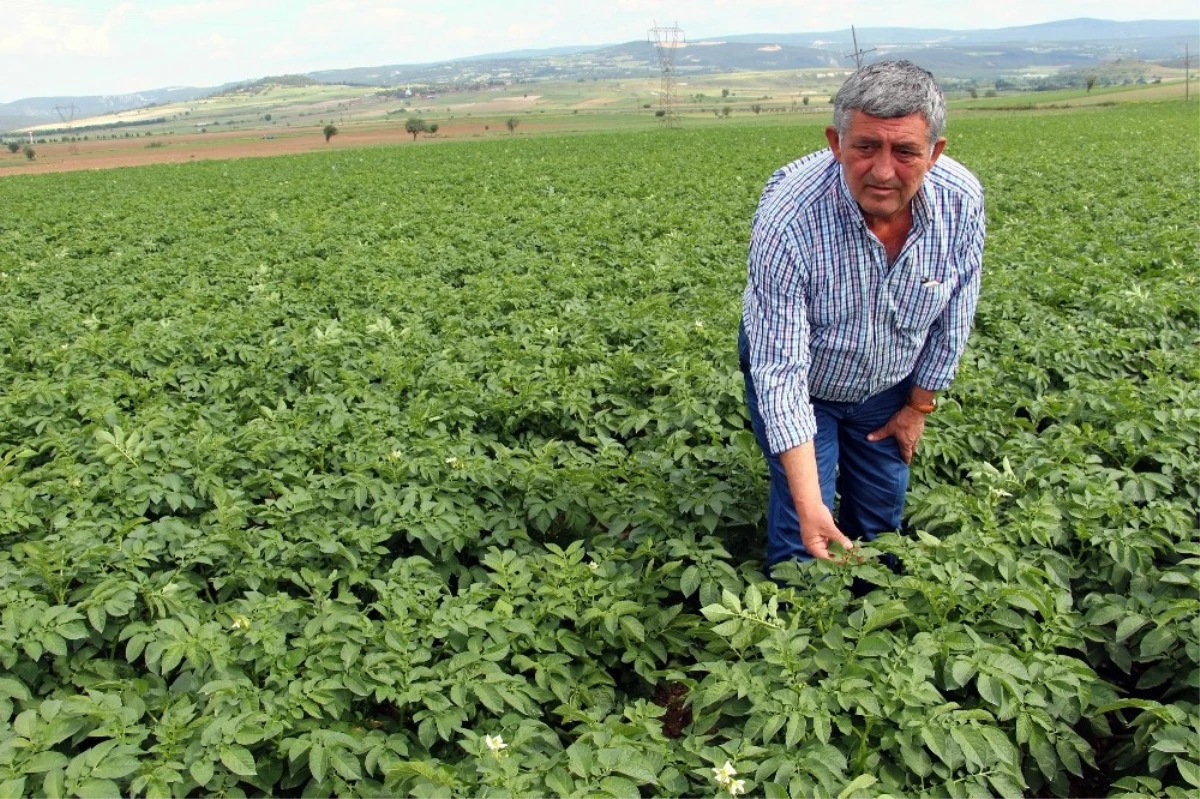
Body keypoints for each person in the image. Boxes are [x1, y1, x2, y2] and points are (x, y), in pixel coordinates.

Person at [738, 60, 986, 569]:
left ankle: (876, 613)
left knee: (881, 518)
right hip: (806, 382)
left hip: (887, 382)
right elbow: (780, 373)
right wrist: (810, 504)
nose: (882, 171)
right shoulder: (790, 219)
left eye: (906, 151)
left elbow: (956, 309)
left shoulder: (960, 202)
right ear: (836, 143)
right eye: (865, 147)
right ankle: (800, 615)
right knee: (804, 535)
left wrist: (917, 407)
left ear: (935, 153)